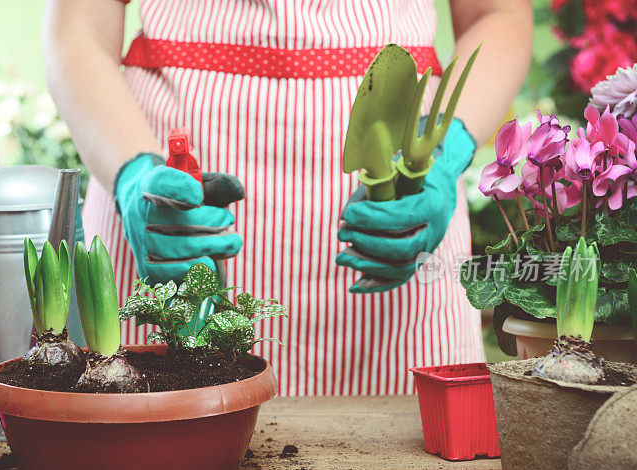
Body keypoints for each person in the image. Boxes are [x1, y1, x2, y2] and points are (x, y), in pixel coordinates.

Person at [43, 0, 533, 396]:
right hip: (170, 202)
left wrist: (444, 154)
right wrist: (132, 177)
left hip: (402, 208)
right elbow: (78, 26)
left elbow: (500, 13)